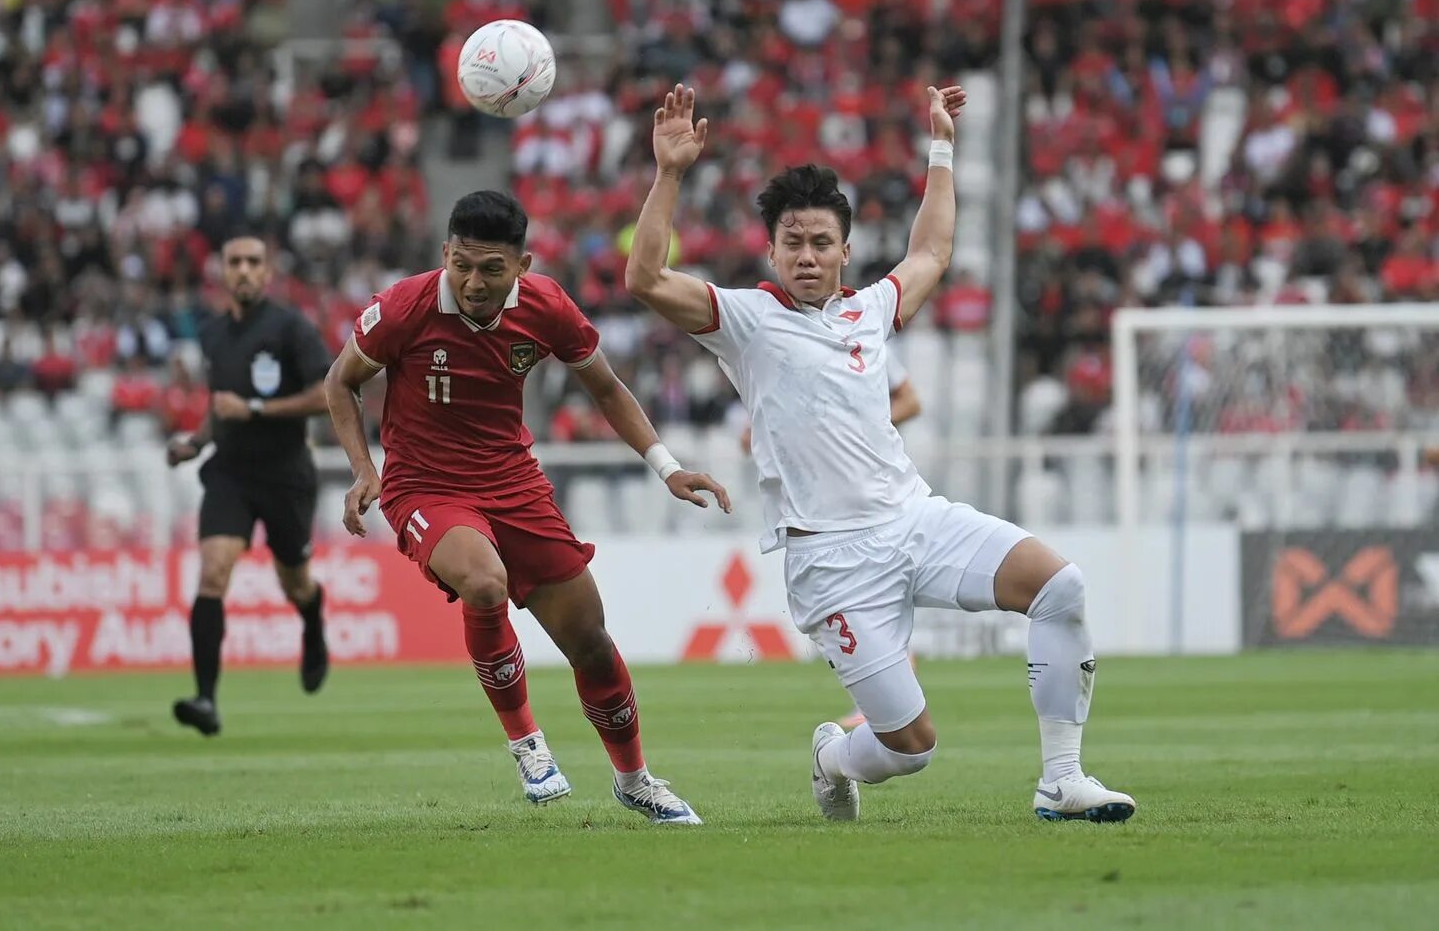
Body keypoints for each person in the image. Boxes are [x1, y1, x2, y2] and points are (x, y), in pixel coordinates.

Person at [625, 84, 1135, 823]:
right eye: (792, 243)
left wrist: (941, 148)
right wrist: (669, 173)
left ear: (844, 251)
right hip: (832, 562)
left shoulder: (870, 310)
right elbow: (643, 279)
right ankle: (834, 756)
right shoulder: (747, 318)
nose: (806, 256)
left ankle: (1062, 779)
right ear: (770, 250)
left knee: (1061, 587)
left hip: (915, 520)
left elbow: (931, 250)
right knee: (911, 747)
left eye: (821, 243)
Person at [325, 190, 730, 825]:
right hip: (425, 485)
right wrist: (362, 468)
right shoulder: (404, 306)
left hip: (515, 484)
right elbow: (340, 380)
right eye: (461, 264)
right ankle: (529, 745)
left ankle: (635, 780)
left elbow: (605, 386)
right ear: (445, 255)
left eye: (491, 268)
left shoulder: (546, 308)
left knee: (591, 642)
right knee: (485, 584)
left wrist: (667, 467)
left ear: (524, 266)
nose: (473, 281)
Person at [166, 236, 333, 736]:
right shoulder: (213, 332)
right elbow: (221, 405)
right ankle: (205, 699)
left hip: (285, 476)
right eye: (234, 261)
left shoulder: (292, 328)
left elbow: (326, 396)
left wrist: (257, 409)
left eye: (253, 262)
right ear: (222, 270)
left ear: (267, 272)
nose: (243, 270)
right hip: (231, 473)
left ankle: (312, 620)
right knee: (213, 572)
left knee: (295, 583)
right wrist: (195, 443)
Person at [739, 346, 921, 731]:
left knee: (881, 597)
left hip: (873, 490)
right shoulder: (792, 348)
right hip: (824, 498)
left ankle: (886, 707)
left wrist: (858, 428)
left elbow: (910, 401)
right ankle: (882, 705)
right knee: (862, 602)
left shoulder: (864, 340)